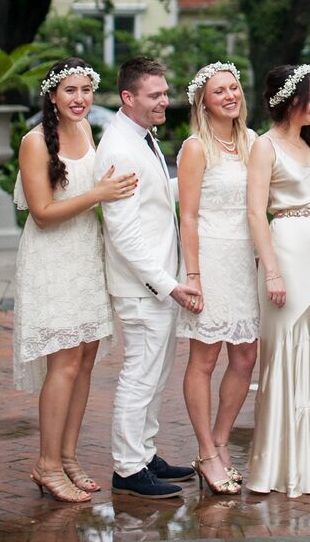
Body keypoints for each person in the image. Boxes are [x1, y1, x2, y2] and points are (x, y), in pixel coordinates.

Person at [13, 58, 136, 502]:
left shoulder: (86, 131)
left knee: (84, 360)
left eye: (86, 90)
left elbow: (94, 193)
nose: (80, 98)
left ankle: (67, 456)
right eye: (70, 90)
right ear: (52, 96)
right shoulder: (34, 143)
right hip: (53, 259)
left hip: (87, 255)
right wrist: (99, 194)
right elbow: (42, 214)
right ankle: (46, 465)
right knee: (62, 362)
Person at [96, 57, 201, 498]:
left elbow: (155, 197)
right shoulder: (119, 148)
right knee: (140, 373)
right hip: (143, 286)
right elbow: (123, 233)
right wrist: (168, 283)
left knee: (156, 373)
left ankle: (144, 452)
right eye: (155, 95)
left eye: (165, 92)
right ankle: (126, 467)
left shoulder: (141, 137)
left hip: (157, 282)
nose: (165, 101)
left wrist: (202, 180)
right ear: (129, 97)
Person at [246, 64, 310, 497]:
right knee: (284, 354)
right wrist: (271, 270)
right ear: (292, 101)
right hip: (285, 253)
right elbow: (255, 213)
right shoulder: (264, 147)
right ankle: (282, 462)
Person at [177, 62, 259, 495]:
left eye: (233, 88)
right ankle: (206, 452)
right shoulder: (196, 148)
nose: (229, 95)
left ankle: (223, 441)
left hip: (245, 262)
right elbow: (186, 216)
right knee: (205, 359)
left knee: (245, 357)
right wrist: (193, 275)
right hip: (208, 259)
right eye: (218, 91)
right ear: (203, 102)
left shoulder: (252, 142)